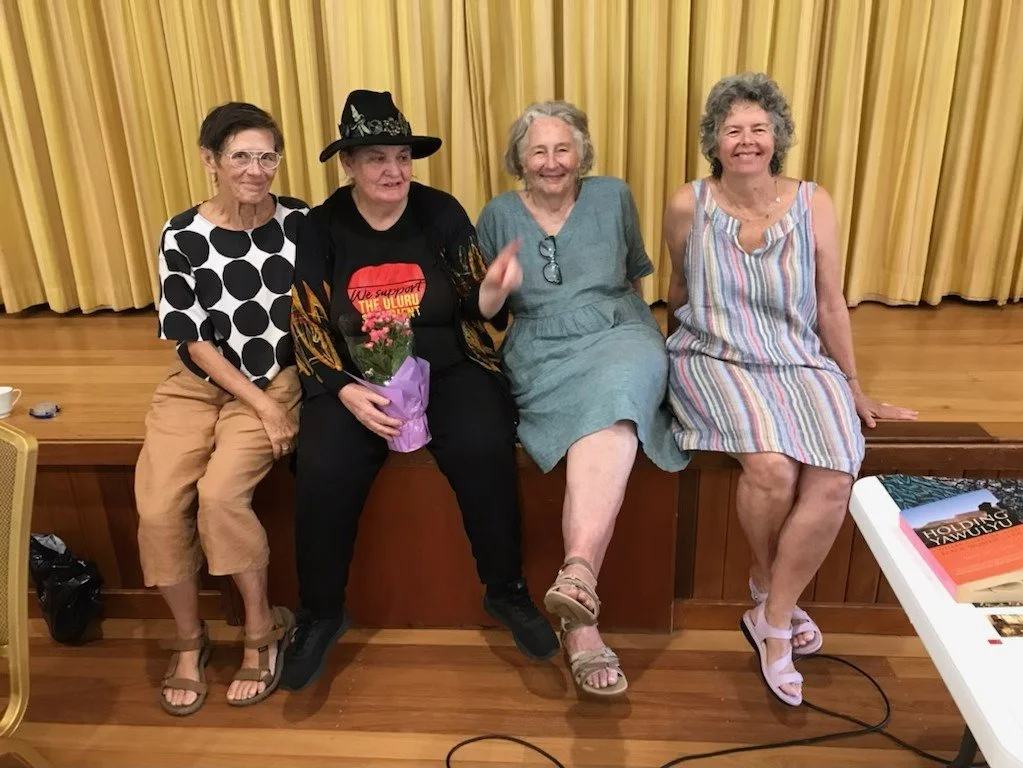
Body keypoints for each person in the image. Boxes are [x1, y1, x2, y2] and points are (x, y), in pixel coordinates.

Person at [283, 90, 558, 691]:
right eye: (377, 158)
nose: (394, 171)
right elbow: (305, 317)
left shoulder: (439, 211)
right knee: (322, 467)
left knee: (486, 445)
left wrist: (493, 287)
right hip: (356, 374)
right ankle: (321, 611)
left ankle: (505, 589)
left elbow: (471, 304)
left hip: (447, 364)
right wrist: (341, 391)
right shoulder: (320, 225)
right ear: (348, 164)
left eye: (403, 156)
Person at [663, 73, 918, 707]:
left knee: (835, 472)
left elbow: (830, 302)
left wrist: (854, 385)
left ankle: (772, 614)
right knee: (773, 468)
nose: (746, 141)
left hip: (797, 355)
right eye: (732, 131)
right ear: (714, 143)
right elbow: (679, 290)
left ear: (777, 137)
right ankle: (767, 592)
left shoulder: (813, 202)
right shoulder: (687, 204)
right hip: (714, 354)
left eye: (758, 128)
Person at [476, 101, 688, 700]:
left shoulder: (613, 195)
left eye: (562, 149)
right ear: (520, 159)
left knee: (620, 394)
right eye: (538, 151)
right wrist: (493, 290)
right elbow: (487, 313)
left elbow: (636, 277)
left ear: (581, 154)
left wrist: (650, 346)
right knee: (602, 420)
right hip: (539, 347)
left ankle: (581, 590)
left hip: (620, 331)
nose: (551, 162)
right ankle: (579, 592)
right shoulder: (496, 214)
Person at [135, 102, 308, 715]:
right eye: (241, 156)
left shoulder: (300, 222)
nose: (256, 170)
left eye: (267, 156)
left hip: (274, 375)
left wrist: (274, 399)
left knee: (220, 496)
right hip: (202, 384)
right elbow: (192, 340)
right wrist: (262, 405)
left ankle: (262, 630)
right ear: (210, 161)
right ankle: (190, 640)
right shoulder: (181, 233)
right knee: (157, 507)